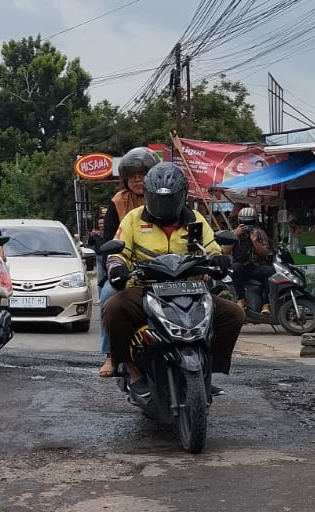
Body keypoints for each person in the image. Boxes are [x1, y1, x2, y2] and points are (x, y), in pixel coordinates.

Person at [101, 162, 244, 395]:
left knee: (233, 314)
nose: (163, 205)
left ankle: (208, 371)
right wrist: (116, 267)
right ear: (147, 196)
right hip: (146, 288)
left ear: (182, 197)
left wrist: (219, 260)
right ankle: (129, 368)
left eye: (169, 200)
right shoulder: (133, 219)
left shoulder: (196, 219)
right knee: (113, 309)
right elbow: (119, 251)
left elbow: (212, 248)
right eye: (157, 199)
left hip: (191, 289)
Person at [96, 147, 160, 378]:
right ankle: (111, 355)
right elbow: (109, 241)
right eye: (132, 175)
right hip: (131, 269)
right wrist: (117, 268)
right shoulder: (119, 202)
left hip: (168, 269)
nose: (137, 180)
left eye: (143, 174)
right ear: (125, 179)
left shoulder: (168, 198)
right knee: (107, 296)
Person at [229, 206, 274, 314]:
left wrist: (255, 242)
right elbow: (225, 251)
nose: (247, 226)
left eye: (249, 222)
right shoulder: (234, 233)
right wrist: (234, 236)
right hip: (241, 266)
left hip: (256, 266)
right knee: (235, 267)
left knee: (270, 271)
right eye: (244, 222)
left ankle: (265, 304)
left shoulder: (259, 233)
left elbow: (265, 252)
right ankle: (241, 299)